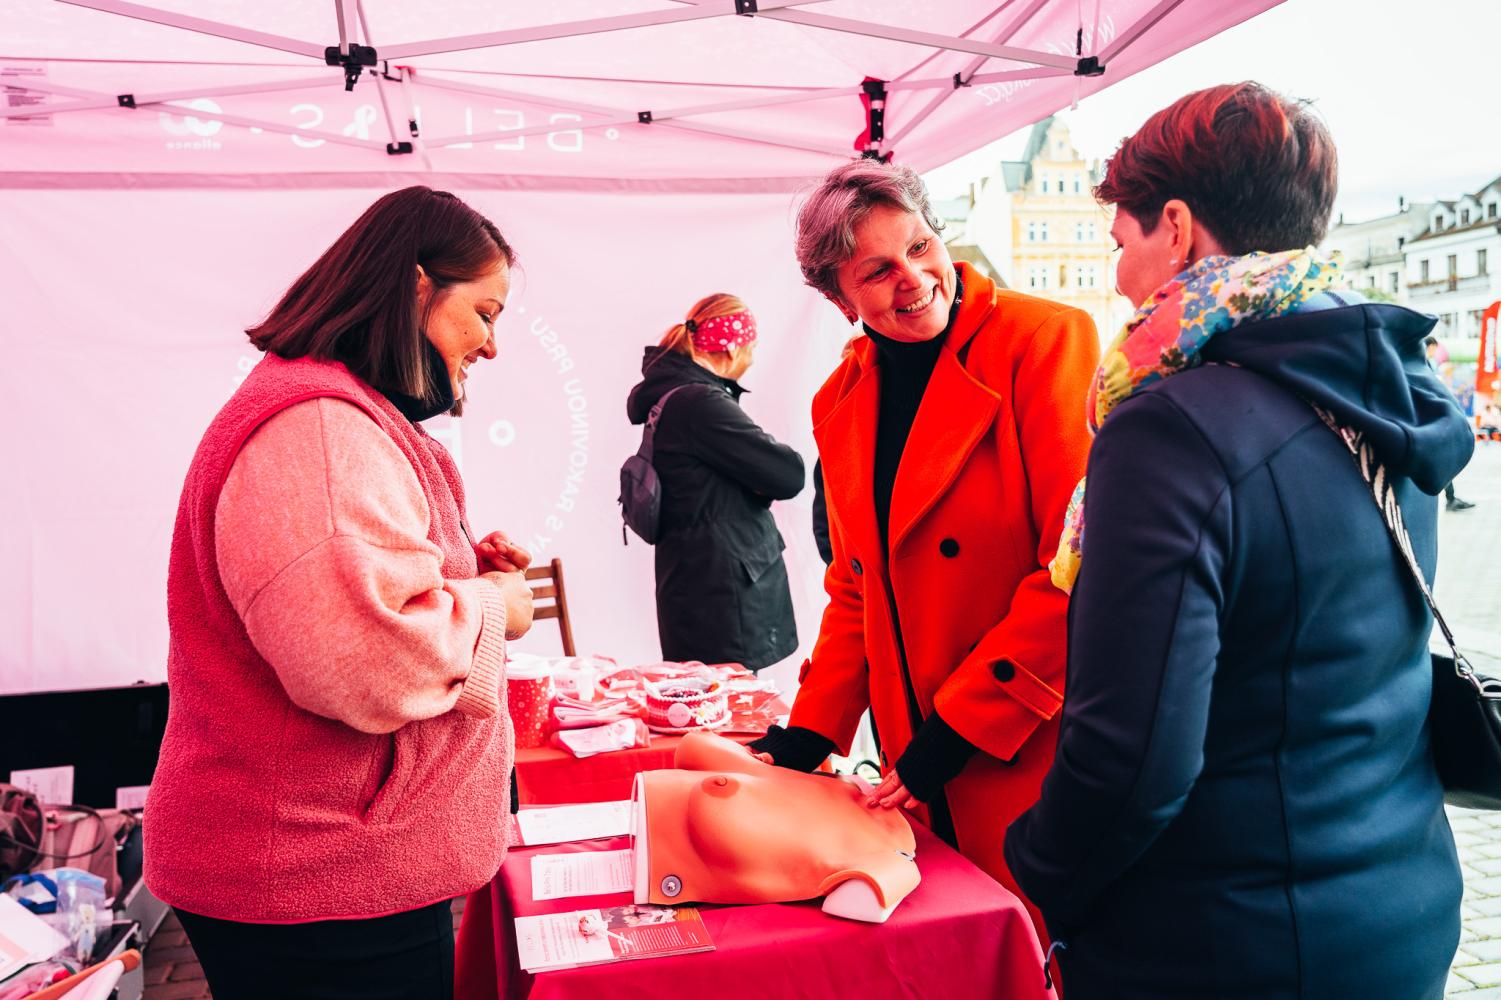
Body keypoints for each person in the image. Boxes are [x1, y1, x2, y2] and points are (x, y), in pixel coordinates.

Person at [1004, 83, 1473, 999]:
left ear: (1177, 228)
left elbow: (1131, 757)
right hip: (1396, 901)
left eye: (1121, 243)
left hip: (1226, 938)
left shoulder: (1171, 427)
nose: (1117, 278)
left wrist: (1037, 868)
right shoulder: (1381, 385)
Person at [146, 186, 535, 1000]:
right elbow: (363, 661)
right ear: (418, 287)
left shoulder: (325, 411)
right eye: (484, 313)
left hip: (327, 869)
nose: (492, 346)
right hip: (319, 881)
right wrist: (496, 606)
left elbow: (331, 593)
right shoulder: (320, 428)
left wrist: (453, 570)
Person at [749, 158, 1099, 941]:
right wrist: (811, 734)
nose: (912, 278)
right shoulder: (837, 400)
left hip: (1025, 731)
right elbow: (856, 585)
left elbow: (1077, 568)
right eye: (876, 271)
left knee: (1043, 950)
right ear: (840, 300)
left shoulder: (1044, 339)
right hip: (913, 755)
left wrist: (955, 731)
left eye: (918, 246)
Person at [626, 294, 804, 671]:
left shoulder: (678, 396)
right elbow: (788, 474)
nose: (752, 358)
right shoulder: (699, 402)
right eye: (751, 347)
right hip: (721, 596)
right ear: (732, 348)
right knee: (731, 702)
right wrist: (757, 481)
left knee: (713, 697)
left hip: (698, 584)